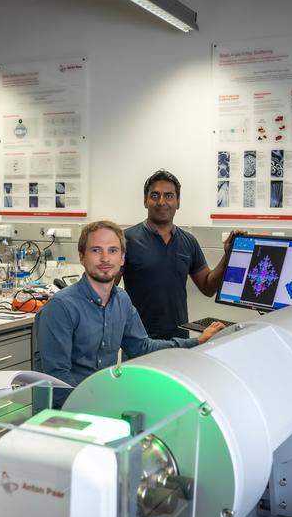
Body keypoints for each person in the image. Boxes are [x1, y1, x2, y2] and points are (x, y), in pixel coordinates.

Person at [36, 220, 224, 407]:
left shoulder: (121, 300)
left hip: (99, 403)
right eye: (96, 250)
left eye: (113, 250)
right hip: (62, 415)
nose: (105, 258)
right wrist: (98, 411)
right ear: (82, 257)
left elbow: (142, 347)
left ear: (123, 258)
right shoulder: (60, 307)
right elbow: (58, 378)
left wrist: (197, 342)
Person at [119, 169, 243, 339]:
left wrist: (228, 256)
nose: (161, 202)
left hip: (178, 338)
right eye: (155, 195)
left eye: (169, 196)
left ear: (178, 202)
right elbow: (108, 290)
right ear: (145, 201)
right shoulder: (126, 240)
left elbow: (208, 287)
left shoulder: (188, 242)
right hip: (138, 339)